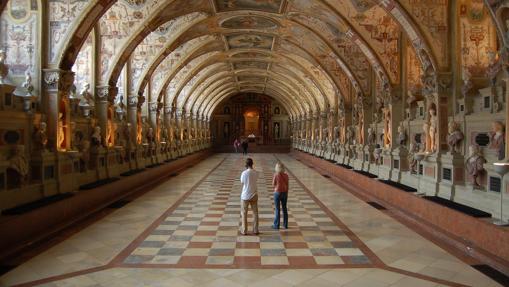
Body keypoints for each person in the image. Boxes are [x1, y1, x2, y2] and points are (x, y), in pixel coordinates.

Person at [240, 158, 259, 235]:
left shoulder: (244, 173)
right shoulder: (256, 173)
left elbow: (242, 182)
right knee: (255, 213)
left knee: (244, 213)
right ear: (252, 164)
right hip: (254, 194)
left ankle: (244, 230)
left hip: (245, 196)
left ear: (246, 164)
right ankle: (255, 230)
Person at [272, 162, 289, 229]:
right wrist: (287, 193)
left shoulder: (276, 175)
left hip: (277, 193)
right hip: (284, 193)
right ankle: (285, 225)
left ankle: (276, 225)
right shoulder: (286, 175)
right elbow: (287, 185)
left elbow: (273, 184)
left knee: (277, 209)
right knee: (284, 209)